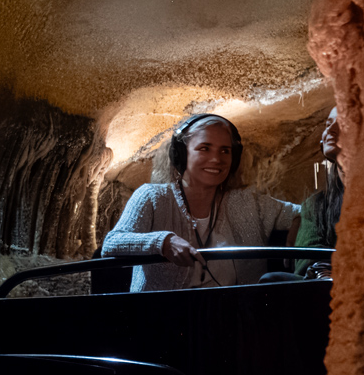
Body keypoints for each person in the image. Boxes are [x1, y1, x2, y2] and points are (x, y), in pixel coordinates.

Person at [101, 114, 301, 291]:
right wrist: (163, 242)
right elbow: (112, 243)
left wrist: (297, 221)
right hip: (162, 321)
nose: (216, 159)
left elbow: (308, 211)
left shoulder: (247, 202)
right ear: (181, 154)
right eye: (204, 148)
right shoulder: (152, 197)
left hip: (232, 321)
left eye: (225, 151)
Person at [295, 107, 343, 277]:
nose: (330, 130)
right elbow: (307, 254)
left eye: (343, 123)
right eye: (328, 124)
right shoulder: (317, 204)